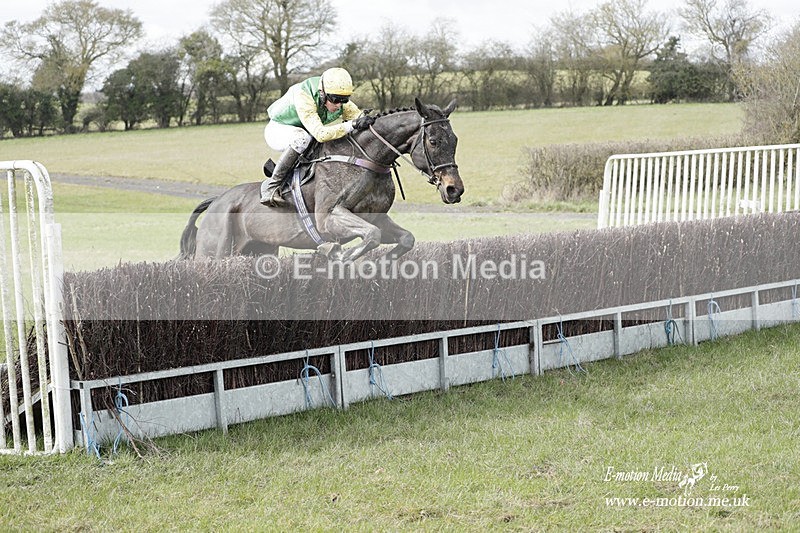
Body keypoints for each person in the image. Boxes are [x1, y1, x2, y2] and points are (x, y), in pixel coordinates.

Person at [260, 67, 375, 207]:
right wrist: (352, 124)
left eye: (344, 100)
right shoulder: (304, 96)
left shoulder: (335, 94)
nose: (339, 105)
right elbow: (321, 134)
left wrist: (366, 119)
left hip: (306, 130)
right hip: (278, 129)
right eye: (335, 100)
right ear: (322, 93)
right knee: (303, 138)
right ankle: (271, 186)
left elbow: (358, 117)